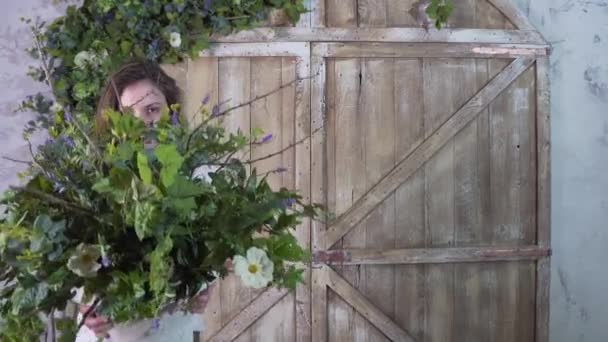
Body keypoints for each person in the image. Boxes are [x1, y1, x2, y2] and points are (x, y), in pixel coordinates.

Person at [77, 60, 216, 342]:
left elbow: (215, 246)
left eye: (152, 109)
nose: (143, 123)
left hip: (174, 330)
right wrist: (85, 306)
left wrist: (206, 283)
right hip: (110, 334)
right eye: (129, 114)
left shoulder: (200, 177)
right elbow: (73, 257)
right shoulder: (94, 180)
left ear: (172, 109)